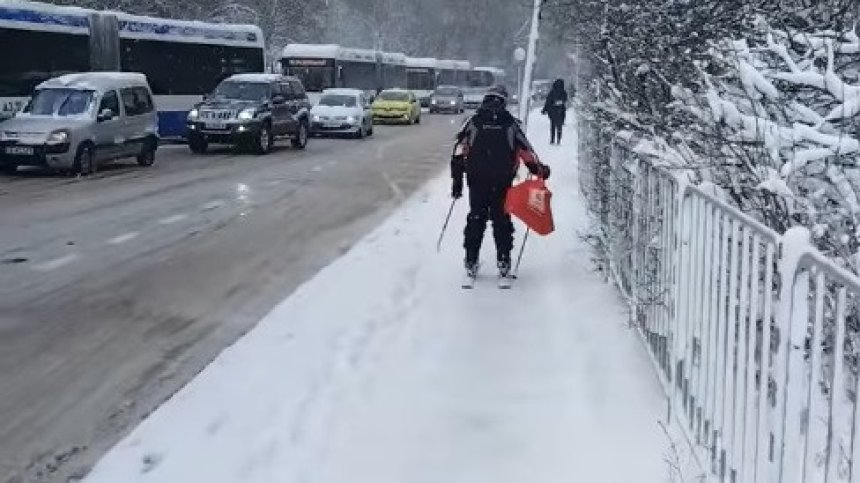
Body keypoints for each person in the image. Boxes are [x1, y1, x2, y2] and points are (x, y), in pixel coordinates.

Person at [451, 85, 551, 279]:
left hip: (477, 179)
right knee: (501, 219)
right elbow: (526, 152)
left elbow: (458, 152)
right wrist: (540, 170)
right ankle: (504, 259)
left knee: (476, 217)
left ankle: (471, 259)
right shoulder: (510, 124)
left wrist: (457, 183)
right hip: (502, 180)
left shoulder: (473, 122)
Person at [541, 78, 568, 144]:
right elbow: (565, 100)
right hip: (560, 111)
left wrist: (544, 109)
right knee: (559, 126)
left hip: (552, 112)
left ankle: (552, 140)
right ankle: (558, 140)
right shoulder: (563, 92)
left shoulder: (552, 92)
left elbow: (548, 101)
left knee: (552, 126)